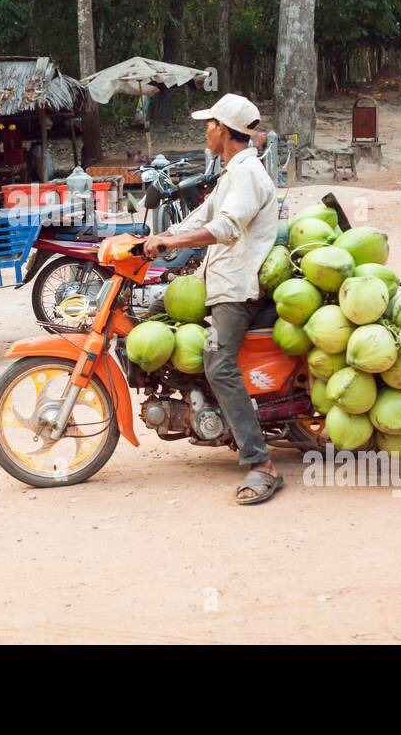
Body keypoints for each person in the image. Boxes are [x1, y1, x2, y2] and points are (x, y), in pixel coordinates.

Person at [143, 94, 281, 505]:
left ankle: (260, 464)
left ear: (222, 130)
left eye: (208, 125)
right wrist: (157, 239)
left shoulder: (248, 174)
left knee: (218, 362)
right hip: (216, 281)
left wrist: (176, 240)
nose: (205, 131)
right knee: (153, 312)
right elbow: (202, 217)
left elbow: (226, 226)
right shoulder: (231, 173)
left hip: (236, 289)